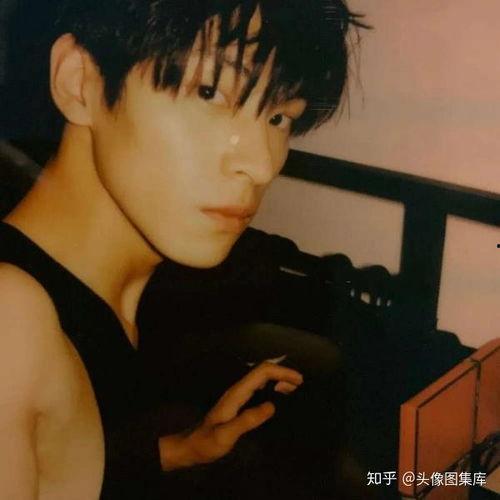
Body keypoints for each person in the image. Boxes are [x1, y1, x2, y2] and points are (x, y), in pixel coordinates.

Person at [0, 0, 366, 498]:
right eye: (210, 91)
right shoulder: (11, 320)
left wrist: (176, 452)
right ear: (79, 82)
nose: (262, 164)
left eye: (280, 116)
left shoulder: (106, 295)